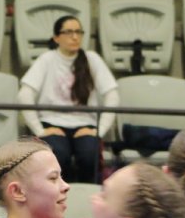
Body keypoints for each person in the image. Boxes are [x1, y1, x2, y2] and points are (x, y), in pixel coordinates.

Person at [18, 15, 118, 184]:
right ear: (56, 38)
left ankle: (88, 196)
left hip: (86, 125)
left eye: (79, 32)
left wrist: (99, 131)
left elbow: (112, 94)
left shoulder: (92, 59)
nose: (75, 36)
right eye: (69, 32)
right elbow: (24, 94)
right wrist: (39, 130)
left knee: (89, 156)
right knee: (58, 156)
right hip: (52, 123)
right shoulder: (47, 59)